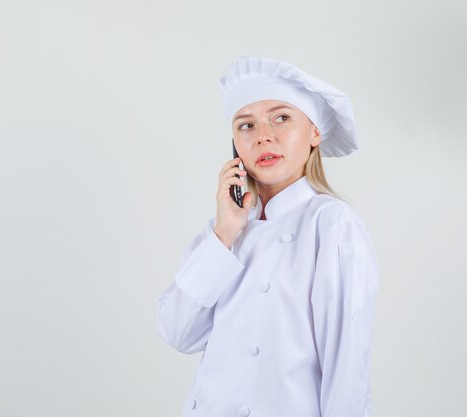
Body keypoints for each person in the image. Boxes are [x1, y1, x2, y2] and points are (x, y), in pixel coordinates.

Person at [157, 56, 380, 417]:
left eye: (281, 118)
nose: (263, 136)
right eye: (246, 125)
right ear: (234, 145)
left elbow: (347, 367)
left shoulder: (331, 224)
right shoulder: (226, 230)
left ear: (314, 133)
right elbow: (178, 333)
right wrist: (224, 232)